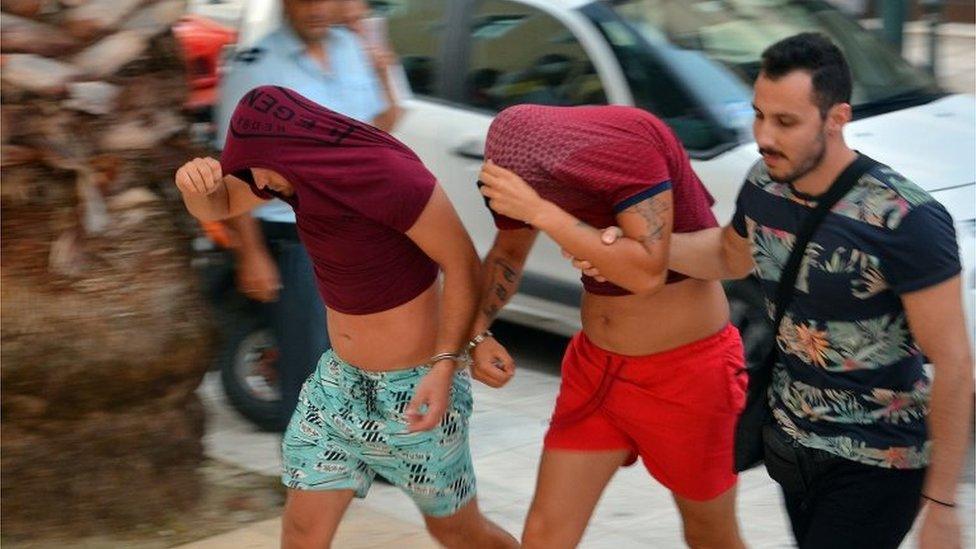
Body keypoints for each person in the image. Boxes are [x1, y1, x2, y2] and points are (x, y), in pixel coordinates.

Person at [581, 33, 974, 549]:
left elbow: (953, 361)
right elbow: (726, 254)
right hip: (793, 445)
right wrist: (635, 247)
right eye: (759, 115)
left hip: (878, 458)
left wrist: (942, 504)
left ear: (836, 119)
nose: (764, 135)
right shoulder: (764, 184)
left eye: (785, 122)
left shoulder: (906, 219)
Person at [177, 86, 517, 549]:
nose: (256, 184)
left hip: (416, 388)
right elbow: (218, 205)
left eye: (254, 171)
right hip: (338, 387)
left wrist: (446, 364)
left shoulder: (389, 178)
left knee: (458, 532)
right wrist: (194, 191)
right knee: (301, 533)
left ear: (287, 153)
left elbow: (461, 263)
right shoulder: (291, 175)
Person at [470, 103, 747, 548]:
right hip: (595, 370)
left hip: (688, 378)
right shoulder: (516, 154)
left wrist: (543, 212)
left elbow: (645, 273)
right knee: (544, 535)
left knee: (710, 535)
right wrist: (476, 333)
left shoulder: (626, 151)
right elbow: (507, 254)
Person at [213, 0, 403, 429]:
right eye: (306, 0)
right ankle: (312, 481)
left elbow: (379, 131)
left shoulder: (353, 50)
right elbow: (232, 167)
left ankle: (372, 459)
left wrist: (383, 69)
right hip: (298, 244)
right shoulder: (256, 66)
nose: (318, 9)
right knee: (314, 375)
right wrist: (250, 254)